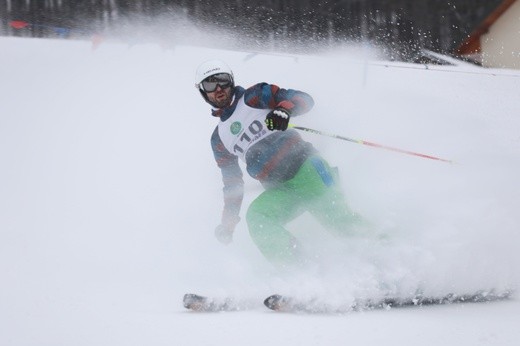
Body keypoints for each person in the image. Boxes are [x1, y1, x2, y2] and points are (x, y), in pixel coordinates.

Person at [195, 59, 363, 268]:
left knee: (341, 223)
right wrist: (228, 223)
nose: (218, 88)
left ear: (231, 80)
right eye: (210, 85)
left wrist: (284, 110)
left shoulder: (253, 97)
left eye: (222, 80)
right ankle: (298, 273)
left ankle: (393, 251)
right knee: (258, 217)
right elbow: (232, 183)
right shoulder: (219, 139)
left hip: (307, 170)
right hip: (281, 190)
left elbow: (303, 99)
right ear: (203, 92)